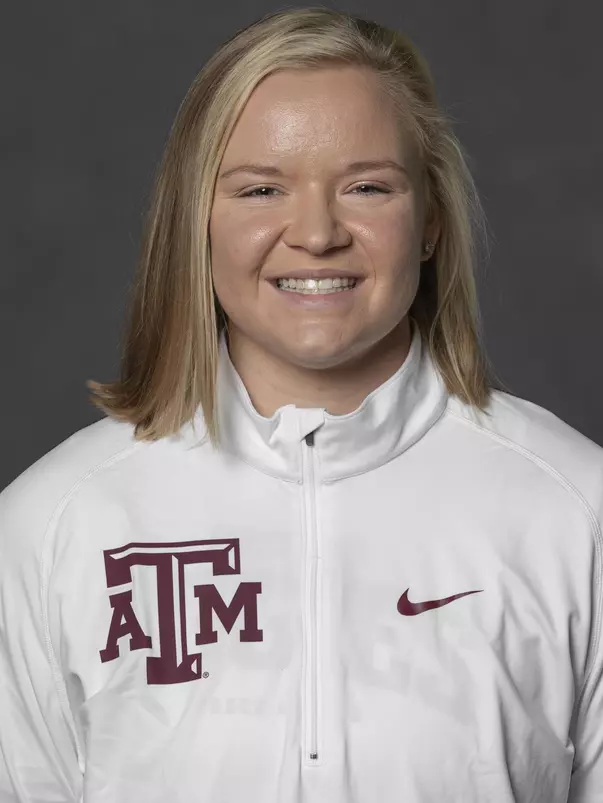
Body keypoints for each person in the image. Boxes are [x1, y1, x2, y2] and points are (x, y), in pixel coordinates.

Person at [0, 6, 601, 802]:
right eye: (260, 188)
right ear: (196, 221)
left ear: (427, 220)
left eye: (366, 186)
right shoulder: (52, 522)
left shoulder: (575, 507)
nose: (316, 233)